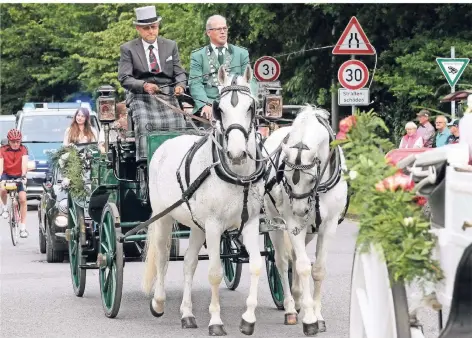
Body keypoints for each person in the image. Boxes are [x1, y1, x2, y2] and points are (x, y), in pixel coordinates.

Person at [117, 5, 187, 160]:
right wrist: (144, 86)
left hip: (167, 94)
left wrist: (180, 86)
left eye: (154, 27)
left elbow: (180, 72)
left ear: (158, 26)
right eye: (146, 28)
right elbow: (124, 78)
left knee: (179, 122)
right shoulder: (128, 49)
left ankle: (179, 159)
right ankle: (146, 161)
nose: (151, 31)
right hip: (141, 96)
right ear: (138, 28)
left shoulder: (170, 45)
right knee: (145, 123)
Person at [189, 14, 258, 121]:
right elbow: (195, 83)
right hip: (210, 107)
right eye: (218, 29)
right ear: (209, 32)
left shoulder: (241, 53)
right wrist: (204, 104)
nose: (223, 31)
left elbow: (251, 80)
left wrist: (249, 100)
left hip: (236, 105)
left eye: (224, 28)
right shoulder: (198, 56)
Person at [0, 129, 29, 238]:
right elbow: (0, 165)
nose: (16, 144)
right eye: (13, 142)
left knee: (22, 199)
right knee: (2, 188)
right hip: (6, 174)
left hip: (18, 175)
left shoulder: (24, 149)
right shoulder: (2, 150)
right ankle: (4, 207)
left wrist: (23, 175)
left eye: (18, 141)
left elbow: (24, 163)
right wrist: (0, 177)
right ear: (9, 141)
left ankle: (22, 228)